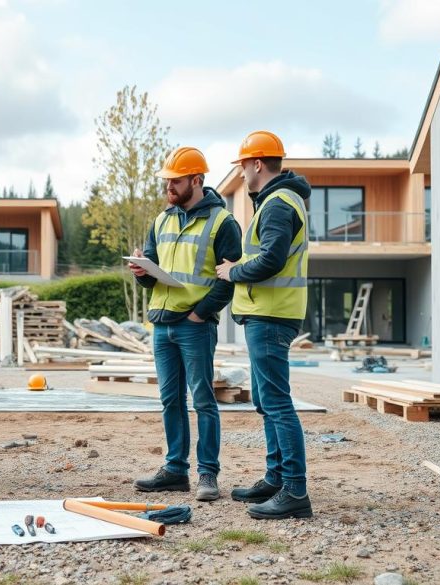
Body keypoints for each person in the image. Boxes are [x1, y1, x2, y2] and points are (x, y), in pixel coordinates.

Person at [128, 146, 242, 501]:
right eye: (166, 181)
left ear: (196, 180)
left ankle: (208, 474)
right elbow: (154, 275)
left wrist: (198, 313)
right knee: (170, 400)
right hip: (162, 324)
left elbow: (230, 278)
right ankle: (175, 471)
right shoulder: (162, 220)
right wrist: (141, 272)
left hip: (195, 326)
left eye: (174, 181)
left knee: (204, 400)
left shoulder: (224, 223)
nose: (168, 187)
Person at [215, 131, 313, 519]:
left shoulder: (276, 204)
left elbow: (271, 259)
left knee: (276, 402)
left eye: (242, 165)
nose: (240, 173)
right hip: (269, 313)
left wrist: (233, 271)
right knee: (265, 400)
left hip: (272, 315)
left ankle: (294, 490)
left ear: (257, 163)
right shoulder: (280, 200)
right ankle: (275, 478)